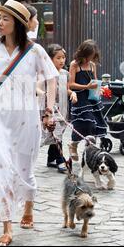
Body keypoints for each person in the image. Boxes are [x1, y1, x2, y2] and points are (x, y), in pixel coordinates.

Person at [0, 0, 58, 246]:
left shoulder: (35, 51)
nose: (0, 22)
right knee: (2, 171)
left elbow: (51, 78)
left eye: (6, 19)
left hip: (27, 117)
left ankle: (28, 205)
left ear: (17, 24)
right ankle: (7, 227)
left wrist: (48, 109)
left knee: (25, 168)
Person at [38, 44, 77, 173]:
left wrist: (72, 93)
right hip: (49, 109)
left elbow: (65, 88)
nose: (62, 60)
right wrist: (43, 96)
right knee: (56, 133)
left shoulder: (65, 73)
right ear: (50, 59)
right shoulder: (45, 74)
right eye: (58, 58)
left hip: (63, 108)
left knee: (58, 133)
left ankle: (51, 158)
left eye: (63, 57)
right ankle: (61, 161)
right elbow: (38, 88)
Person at [67, 40, 107, 161]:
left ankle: (90, 151)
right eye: (89, 56)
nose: (91, 59)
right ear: (83, 53)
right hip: (79, 99)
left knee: (95, 124)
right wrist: (86, 87)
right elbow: (71, 84)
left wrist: (99, 89)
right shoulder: (74, 65)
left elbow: (94, 82)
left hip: (91, 99)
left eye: (93, 56)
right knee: (83, 123)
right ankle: (73, 145)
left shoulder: (92, 65)